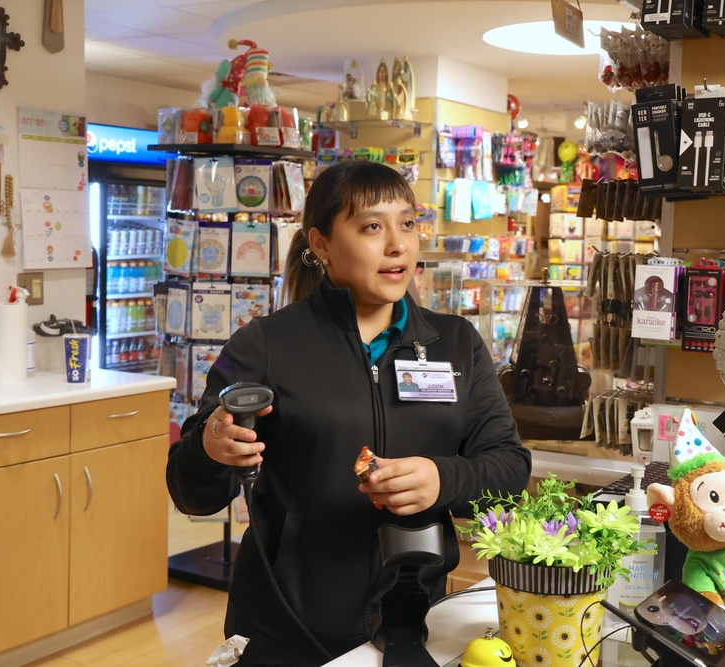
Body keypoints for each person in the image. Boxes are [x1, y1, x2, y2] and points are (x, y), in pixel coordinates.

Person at [167, 160, 531, 666]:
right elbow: (191, 491)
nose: (398, 244)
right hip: (285, 628)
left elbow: (509, 469)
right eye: (371, 227)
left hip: (414, 621)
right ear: (320, 245)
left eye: (407, 223)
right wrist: (210, 449)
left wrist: (441, 478)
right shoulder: (265, 345)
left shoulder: (455, 344)